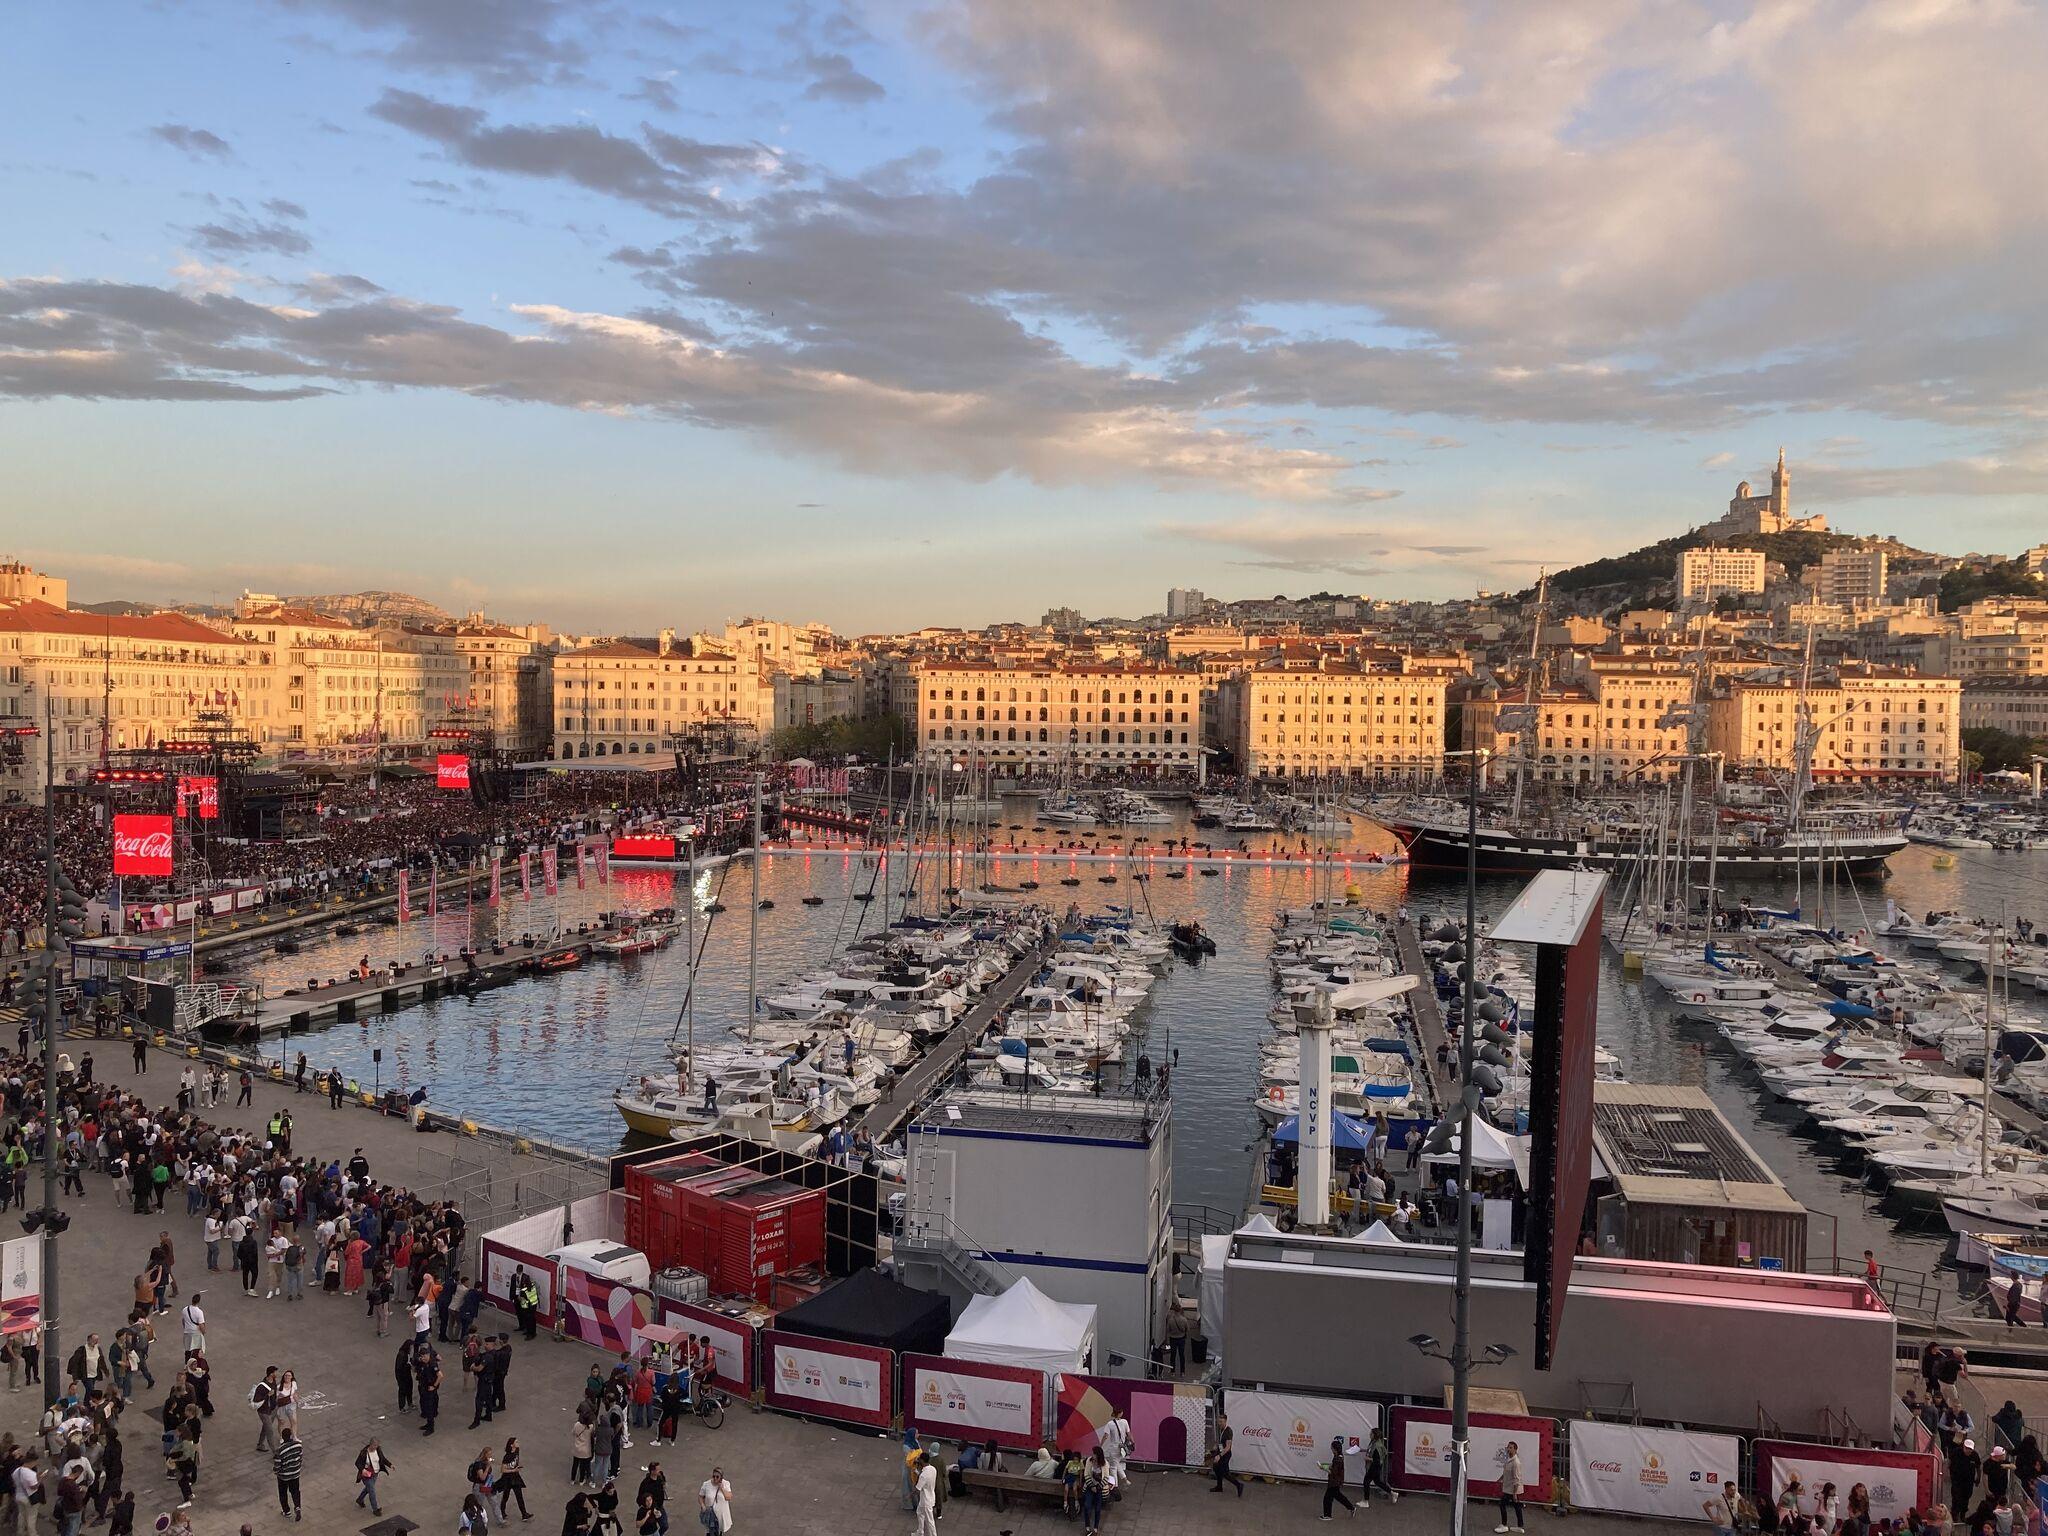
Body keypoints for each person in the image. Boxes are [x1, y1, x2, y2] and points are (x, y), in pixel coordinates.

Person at [1209, 1408, 1243, 1496]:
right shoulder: (1220, 1429)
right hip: (1220, 1452)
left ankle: (1239, 1485)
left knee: (1225, 1473)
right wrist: (1215, 1447)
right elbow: (1220, 1442)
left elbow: (1228, 1447)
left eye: (1221, 1422)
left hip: (1225, 1454)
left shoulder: (1228, 1431)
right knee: (1216, 1468)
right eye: (1219, 1421)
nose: (1220, 1423)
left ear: (1226, 1421)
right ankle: (1219, 1486)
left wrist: (1219, 1456)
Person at [1321, 1436, 1356, 1521]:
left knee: (1327, 1498)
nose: (1331, 1449)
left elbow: (1334, 1472)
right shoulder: (1339, 1457)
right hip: (1336, 1481)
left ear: (1334, 1449)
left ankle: (1328, 1515)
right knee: (1338, 1496)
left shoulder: (1337, 1459)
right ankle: (1351, 1507)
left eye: (1332, 1448)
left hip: (1334, 1481)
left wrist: (1324, 1468)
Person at [1361, 1425, 1397, 1507]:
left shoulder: (1377, 1446)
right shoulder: (1374, 1442)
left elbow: (1377, 1460)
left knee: (1366, 1482)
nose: (1369, 1435)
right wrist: (1362, 1450)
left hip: (1374, 1467)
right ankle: (1393, 1493)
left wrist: (1367, 1458)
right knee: (1378, 1482)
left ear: (1374, 1435)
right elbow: (1371, 1451)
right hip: (1375, 1467)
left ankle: (1366, 1501)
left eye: (1371, 1433)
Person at [1496, 1438, 1526, 1534]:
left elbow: (1516, 1479)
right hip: (1509, 1488)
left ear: (1515, 1450)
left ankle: (1504, 1525)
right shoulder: (1509, 1460)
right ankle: (1520, 1526)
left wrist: (1514, 1494)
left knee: (1502, 1504)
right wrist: (1500, 1479)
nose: (1509, 1449)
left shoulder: (1516, 1463)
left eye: (1511, 1447)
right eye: (1508, 1447)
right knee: (1517, 1507)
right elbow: (1506, 1472)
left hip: (1512, 1490)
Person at [274, 1428, 304, 1520]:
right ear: (291, 1436)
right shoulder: (298, 1445)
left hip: (284, 1476)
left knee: (283, 1493)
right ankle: (297, 1506)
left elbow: (277, 1465)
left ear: (283, 1437)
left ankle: (287, 1511)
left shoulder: (280, 1450)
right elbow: (300, 1457)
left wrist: (276, 1472)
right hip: (295, 1473)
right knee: (295, 1491)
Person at [499, 1437, 531, 1522]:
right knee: (506, 1496)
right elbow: (502, 1470)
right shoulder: (507, 1456)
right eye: (516, 1442)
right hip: (508, 1478)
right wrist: (513, 1470)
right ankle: (502, 1511)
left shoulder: (517, 1451)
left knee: (519, 1496)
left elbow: (516, 1461)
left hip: (515, 1477)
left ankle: (524, 1514)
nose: (518, 1443)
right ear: (511, 1445)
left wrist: (517, 1466)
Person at [356, 1440, 391, 1516]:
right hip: (367, 1476)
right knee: (372, 1491)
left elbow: (383, 1459)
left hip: (375, 1474)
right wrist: (363, 1470)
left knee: (368, 1488)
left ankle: (359, 1499)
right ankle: (375, 1509)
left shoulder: (378, 1450)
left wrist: (390, 1465)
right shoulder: (364, 1453)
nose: (376, 1447)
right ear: (370, 1445)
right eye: (375, 1445)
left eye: (377, 1445)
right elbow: (357, 1463)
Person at [1080, 1447, 1108, 1536]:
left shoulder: (1105, 1464)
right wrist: (1091, 1486)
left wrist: (1098, 1487)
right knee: (1087, 1506)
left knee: (1097, 1509)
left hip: (1099, 1489)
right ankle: (1087, 1527)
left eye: (1094, 1454)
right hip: (1090, 1487)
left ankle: (1095, 1528)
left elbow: (1106, 1478)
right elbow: (1086, 1474)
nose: (1092, 1455)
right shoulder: (1089, 1461)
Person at [698, 1466, 732, 1535]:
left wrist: (722, 1489)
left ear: (721, 1478)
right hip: (710, 1516)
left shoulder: (726, 1484)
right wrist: (703, 1506)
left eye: (717, 1477)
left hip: (721, 1516)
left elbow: (728, 1497)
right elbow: (700, 1496)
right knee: (710, 1533)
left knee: (720, 1532)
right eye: (713, 1476)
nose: (715, 1478)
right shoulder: (706, 1484)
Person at [913, 1451, 938, 1536]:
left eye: (920, 1459)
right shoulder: (933, 1469)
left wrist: (910, 1495)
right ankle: (920, 1532)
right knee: (919, 1513)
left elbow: (917, 1489)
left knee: (930, 1521)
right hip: (930, 1496)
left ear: (922, 1461)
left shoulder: (923, 1475)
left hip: (925, 1500)